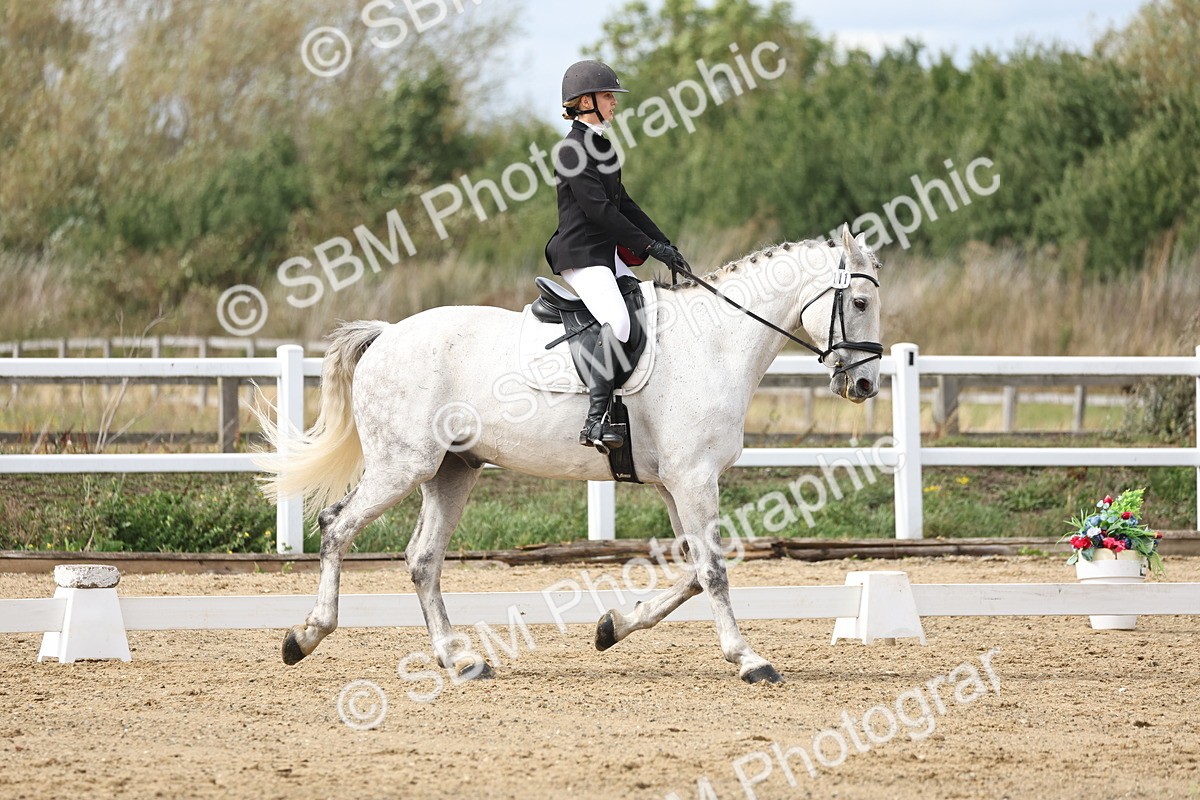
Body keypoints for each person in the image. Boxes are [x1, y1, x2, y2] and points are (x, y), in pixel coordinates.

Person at [544, 59, 688, 451]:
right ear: (585, 102)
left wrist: (665, 246)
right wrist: (646, 246)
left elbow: (624, 204)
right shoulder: (571, 150)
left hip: (604, 254)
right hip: (581, 254)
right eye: (608, 96)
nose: (614, 103)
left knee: (646, 309)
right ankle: (594, 421)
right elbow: (599, 211)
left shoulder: (600, 146)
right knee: (620, 323)